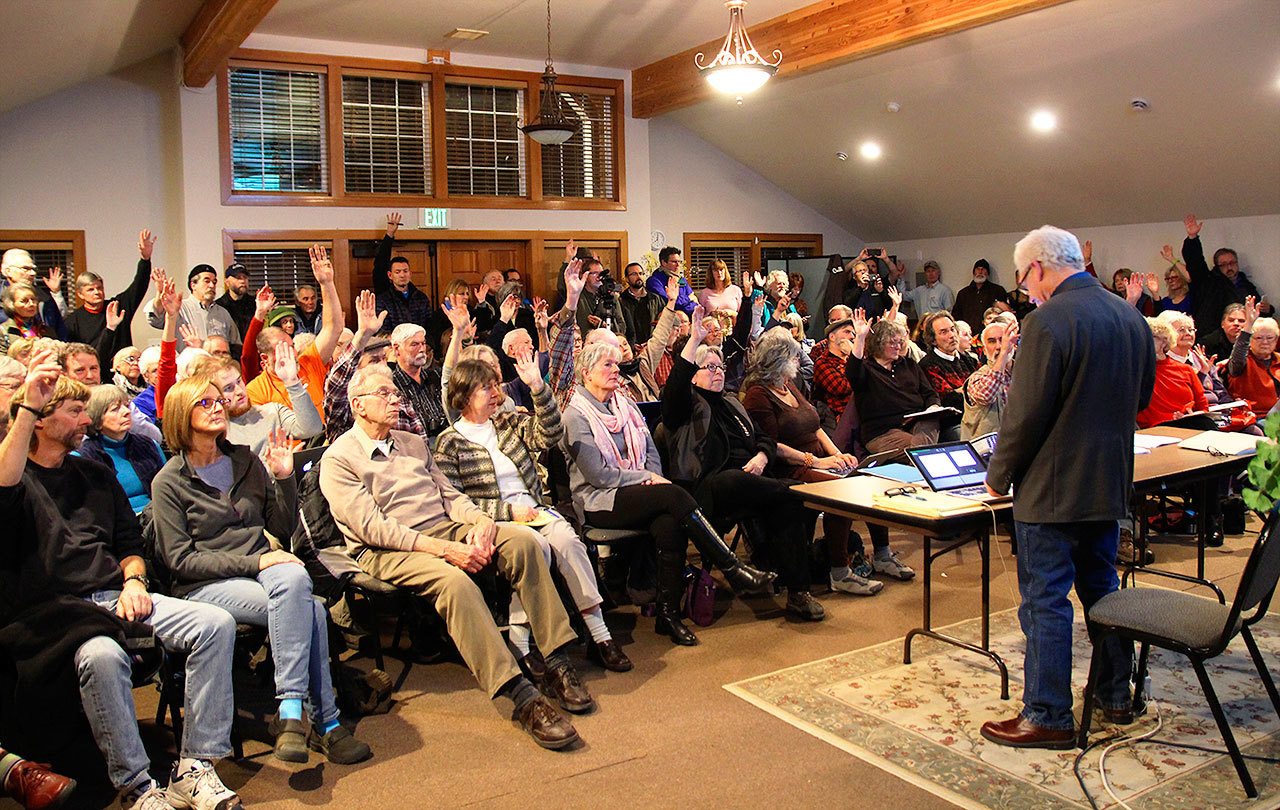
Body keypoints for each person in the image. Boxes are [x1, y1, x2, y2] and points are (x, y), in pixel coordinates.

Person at [1, 352, 242, 808]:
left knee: (215, 624)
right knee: (104, 655)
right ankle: (136, 787)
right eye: (74, 410)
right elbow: (4, 486)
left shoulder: (94, 472)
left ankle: (195, 765)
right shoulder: (18, 479)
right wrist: (29, 403)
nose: (85, 418)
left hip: (117, 597)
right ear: (39, 421)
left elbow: (129, 541)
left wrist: (134, 582)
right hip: (59, 614)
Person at [321, 363, 594, 749]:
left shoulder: (413, 442)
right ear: (358, 405)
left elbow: (451, 497)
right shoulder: (339, 460)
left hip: (445, 527)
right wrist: (447, 550)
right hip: (389, 549)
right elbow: (373, 528)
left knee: (524, 543)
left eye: (395, 393)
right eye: (384, 394)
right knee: (455, 582)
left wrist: (481, 524)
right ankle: (519, 693)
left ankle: (555, 660)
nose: (395, 399)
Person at [980, 225, 1155, 750]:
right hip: (1108, 481)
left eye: (1023, 277)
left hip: (1051, 491)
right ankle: (1114, 695)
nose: (1026, 289)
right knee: (1102, 590)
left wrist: (997, 476)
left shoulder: (1046, 321)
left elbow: (1026, 414)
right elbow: (1142, 397)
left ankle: (1048, 714)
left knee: (1045, 601)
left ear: (1037, 267)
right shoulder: (1130, 317)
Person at [151, 375, 371, 766]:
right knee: (312, 608)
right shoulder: (169, 481)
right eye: (205, 403)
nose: (217, 406)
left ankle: (290, 711)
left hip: (262, 574)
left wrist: (285, 480)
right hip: (205, 585)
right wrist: (256, 561)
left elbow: (281, 530)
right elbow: (180, 561)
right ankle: (324, 722)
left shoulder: (244, 460)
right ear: (181, 415)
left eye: (218, 400)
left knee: (295, 582)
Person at [562, 340, 776, 645]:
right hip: (599, 499)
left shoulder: (625, 405)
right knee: (673, 496)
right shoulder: (576, 416)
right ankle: (732, 566)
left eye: (616, 364)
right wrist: (647, 478)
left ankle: (668, 614)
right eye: (606, 365)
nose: (615, 370)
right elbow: (598, 475)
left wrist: (652, 479)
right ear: (586, 373)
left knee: (669, 522)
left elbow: (651, 451)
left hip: (638, 491)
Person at [435, 356, 632, 672]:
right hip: (495, 522)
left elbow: (550, 434)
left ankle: (601, 637)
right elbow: (454, 502)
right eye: (485, 388)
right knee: (534, 548)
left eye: (494, 385)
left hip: (535, 509)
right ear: (465, 395)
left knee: (568, 542)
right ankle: (522, 645)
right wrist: (509, 511)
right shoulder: (449, 442)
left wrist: (538, 387)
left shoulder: (507, 424)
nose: (494, 393)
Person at [663, 307, 826, 621]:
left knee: (788, 503)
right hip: (708, 486)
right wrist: (695, 338)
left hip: (750, 479)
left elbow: (764, 438)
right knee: (739, 480)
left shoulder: (732, 402)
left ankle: (798, 592)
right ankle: (789, 494)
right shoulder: (685, 407)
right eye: (708, 367)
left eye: (719, 366)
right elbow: (674, 389)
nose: (718, 371)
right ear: (693, 376)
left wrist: (762, 456)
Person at [741, 330, 883, 596]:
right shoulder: (758, 395)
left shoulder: (790, 386)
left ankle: (882, 554)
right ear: (779, 360)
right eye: (795, 357)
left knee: (867, 479)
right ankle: (840, 572)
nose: (799, 361)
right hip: (790, 467)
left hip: (817, 459)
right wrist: (817, 461)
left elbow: (816, 426)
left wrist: (837, 455)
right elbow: (771, 445)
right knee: (843, 495)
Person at [247, 245, 343, 416]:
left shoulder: (307, 363)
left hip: (326, 441)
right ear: (264, 358)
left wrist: (326, 283)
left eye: (291, 346)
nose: (292, 353)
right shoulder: (255, 391)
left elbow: (333, 328)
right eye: (284, 348)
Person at [846, 309, 941, 455]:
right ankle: (923, 454)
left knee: (931, 420)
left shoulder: (909, 365)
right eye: (892, 343)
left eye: (900, 342)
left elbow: (929, 393)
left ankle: (922, 454)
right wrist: (860, 337)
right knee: (922, 451)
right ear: (878, 343)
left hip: (918, 424)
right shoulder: (866, 369)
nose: (898, 346)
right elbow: (852, 369)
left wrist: (933, 406)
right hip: (883, 432)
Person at [196, 351, 323, 454]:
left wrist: (293, 383)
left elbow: (312, 429)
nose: (239, 391)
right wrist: (277, 471)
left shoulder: (272, 412)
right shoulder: (216, 433)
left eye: (239, 381)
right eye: (228, 388)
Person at [64, 230, 156, 358]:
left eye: (99, 288)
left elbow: (138, 286)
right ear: (80, 294)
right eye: (91, 289)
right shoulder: (73, 321)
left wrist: (145, 259)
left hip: (124, 370)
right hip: (95, 372)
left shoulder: (116, 307)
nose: (97, 292)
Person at [77, 384, 166, 513]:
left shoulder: (149, 444)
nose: (126, 412)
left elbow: (169, 489)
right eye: (115, 409)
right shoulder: (84, 457)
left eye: (126, 405)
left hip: (157, 517)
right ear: (96, 418)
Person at [1182, 214, 1269, 338]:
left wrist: (1267, 309)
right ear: (1217, 266)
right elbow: (1196, 263)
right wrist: (1192, 238)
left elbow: (1256, 315)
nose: (1229, 267)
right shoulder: (1209, 281)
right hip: (1212, 337)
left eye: (1232, 263)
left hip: (1242, 337)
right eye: (1223, 264)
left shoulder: (1246, 285)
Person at [1137, 318, 1213, 430]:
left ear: (1164, 341)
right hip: (1155, 428)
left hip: (1188, 423)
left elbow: (1203, 406)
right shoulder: (1137, 370)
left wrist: (1190, 415)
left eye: (1150, 337)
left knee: (1206, 424)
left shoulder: (1186, 370)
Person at [917, 311, 980, 441]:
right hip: (953, 423)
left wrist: (962, 390)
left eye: (952, 329)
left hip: (977, 416)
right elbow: (948, 401)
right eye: (944, 332)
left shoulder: (969, 360)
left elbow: (985, 386)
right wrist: (972, 390)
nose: (952, 335)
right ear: (933, 340)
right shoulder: (927, 365)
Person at [144, 264, 240, 345]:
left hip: (217, 366)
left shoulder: (223, 313)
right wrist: (160, 294)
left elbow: (236, 345)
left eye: (214, 282)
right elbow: (156, 319)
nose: (212, 285)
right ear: (193, 285)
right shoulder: (179, 308)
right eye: (207, 281)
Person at [961, 320, 1019, 439]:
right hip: (987, 452)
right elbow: (986, 395)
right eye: (992, 341)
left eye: (1003, 340)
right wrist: (1003, 352)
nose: (998, 346)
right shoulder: (977, 378)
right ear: (984, 349)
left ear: (1013, 344)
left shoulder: (1025, 374)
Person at [388, 323, 448, 438]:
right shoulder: (392, 386)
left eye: (423, 343)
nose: (422, 349)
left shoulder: (436, 376)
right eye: (414, 344)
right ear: (396, 349)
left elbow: (453, 370)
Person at [1226, 296, 1280, 420]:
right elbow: (1238, 354)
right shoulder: (1241, 362)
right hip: (1257, 417)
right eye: (1259, 338)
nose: (1265, 342)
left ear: (1276, 340)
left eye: (1270, 338)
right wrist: (1248, 325)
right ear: (1250, 340)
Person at [0, 250, 66, 340]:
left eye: (33, 269)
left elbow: (60, 332)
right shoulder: (2, 298)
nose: (33, 273)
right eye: (26, 268)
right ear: (8, 271)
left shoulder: (44, 298)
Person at [952, 259, 1008, 331]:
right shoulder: (963, 293)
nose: (980, 271)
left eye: (983, 269)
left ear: (988, 273)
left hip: (992, 333)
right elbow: (956, 316)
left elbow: (1005, 315)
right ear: (973, 272)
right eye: (978, 269)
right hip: (968, 335)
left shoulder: (998, 291)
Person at [619, 262, 661, 349]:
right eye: (634, 274)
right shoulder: (621, 300)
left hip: (652, 346)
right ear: (627, 279)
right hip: (630, 347)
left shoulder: (655, 299)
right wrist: (630, 344)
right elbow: (620, 326)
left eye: (641, 273)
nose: (639, 277)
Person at [0, 284, 51, 354]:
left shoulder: (44, 329)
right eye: (24, 301)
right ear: (11, 305)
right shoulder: (4, 331)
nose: (31, 304)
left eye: (33, 300)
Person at [646, 246, 696, 316]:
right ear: (664, 262)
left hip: (687, 319)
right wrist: (688, 299)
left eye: (679, 261)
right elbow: (671, 302)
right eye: (674, 262)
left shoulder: (681, 279)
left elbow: (695, 301)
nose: (678, 265)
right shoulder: (654, 281)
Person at [214, 262, 255, 340]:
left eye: (245, 277)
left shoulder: (255, 303)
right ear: (227, 282)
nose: (243, 281)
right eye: (238, 277)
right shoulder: (218, 306)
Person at [697, 259, 743, 326]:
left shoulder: (735, 290)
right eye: (715, 270)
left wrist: (731, 313)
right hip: (713, 332)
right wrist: (711, 314)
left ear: (725, 271)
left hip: (734, 329)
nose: (719, 273)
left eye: (721, 270)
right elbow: (700, 318)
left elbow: (743, 315)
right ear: (711, 273)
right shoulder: (704, 293)